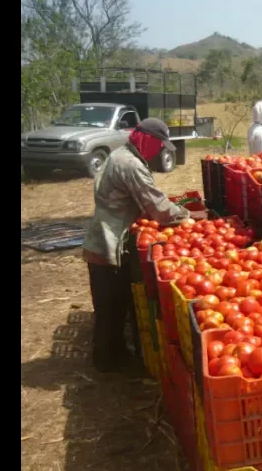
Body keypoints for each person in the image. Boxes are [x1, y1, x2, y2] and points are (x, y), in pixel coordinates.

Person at [81, 118, 195, 373]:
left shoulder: (122, 154)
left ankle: (112, 355)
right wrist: (190, 216)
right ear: (146, 140)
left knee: (111, 305)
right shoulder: (130, 164)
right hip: (107, 244)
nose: (160, 151)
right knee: (111, 307)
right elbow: (157, 207)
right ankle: (109, 362)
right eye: (158, 145)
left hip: (105, 238)